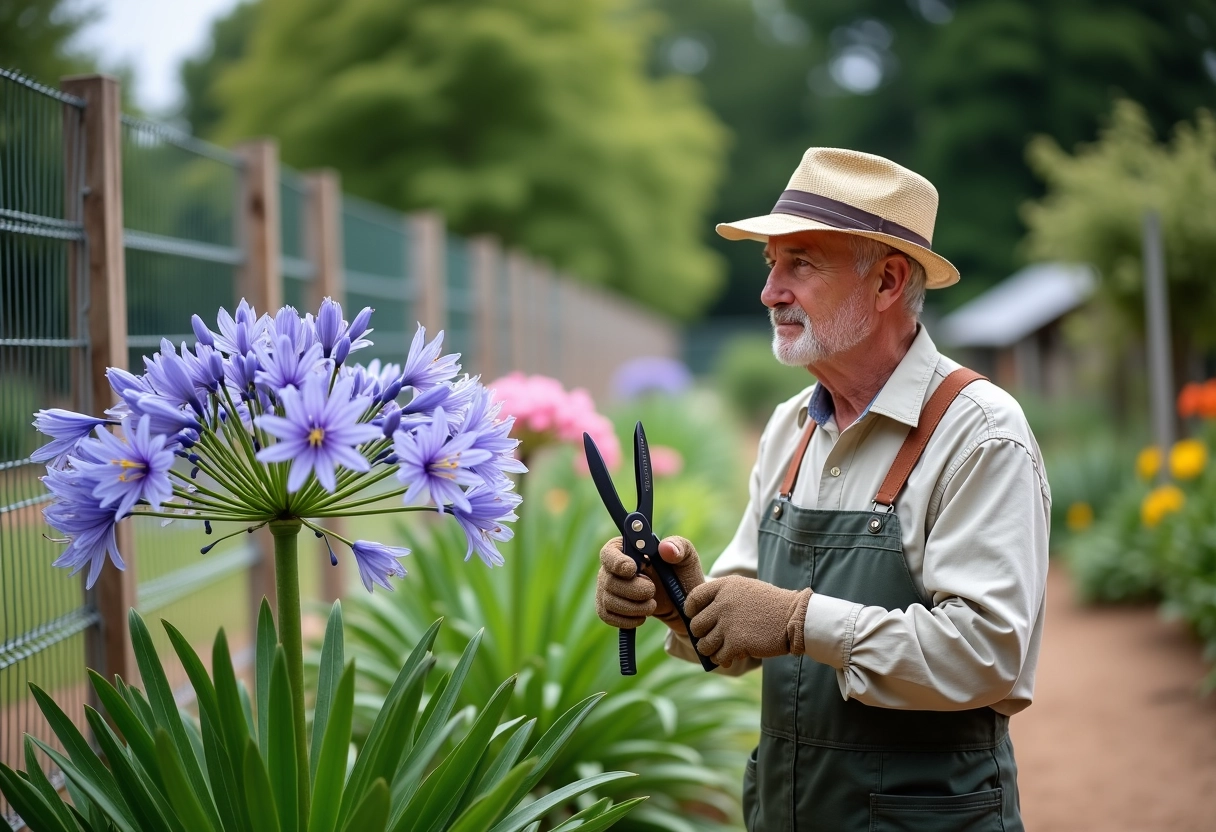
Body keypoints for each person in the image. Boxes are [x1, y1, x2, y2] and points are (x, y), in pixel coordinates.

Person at [594, 148, 1049, 831]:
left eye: (799, 264)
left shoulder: (981, 434)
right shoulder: (789, 430)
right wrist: (675, 600)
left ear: (889, 281)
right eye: (771, 264)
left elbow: (989, 655)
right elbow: (739, 634)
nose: (770, 291)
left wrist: (805, 622)